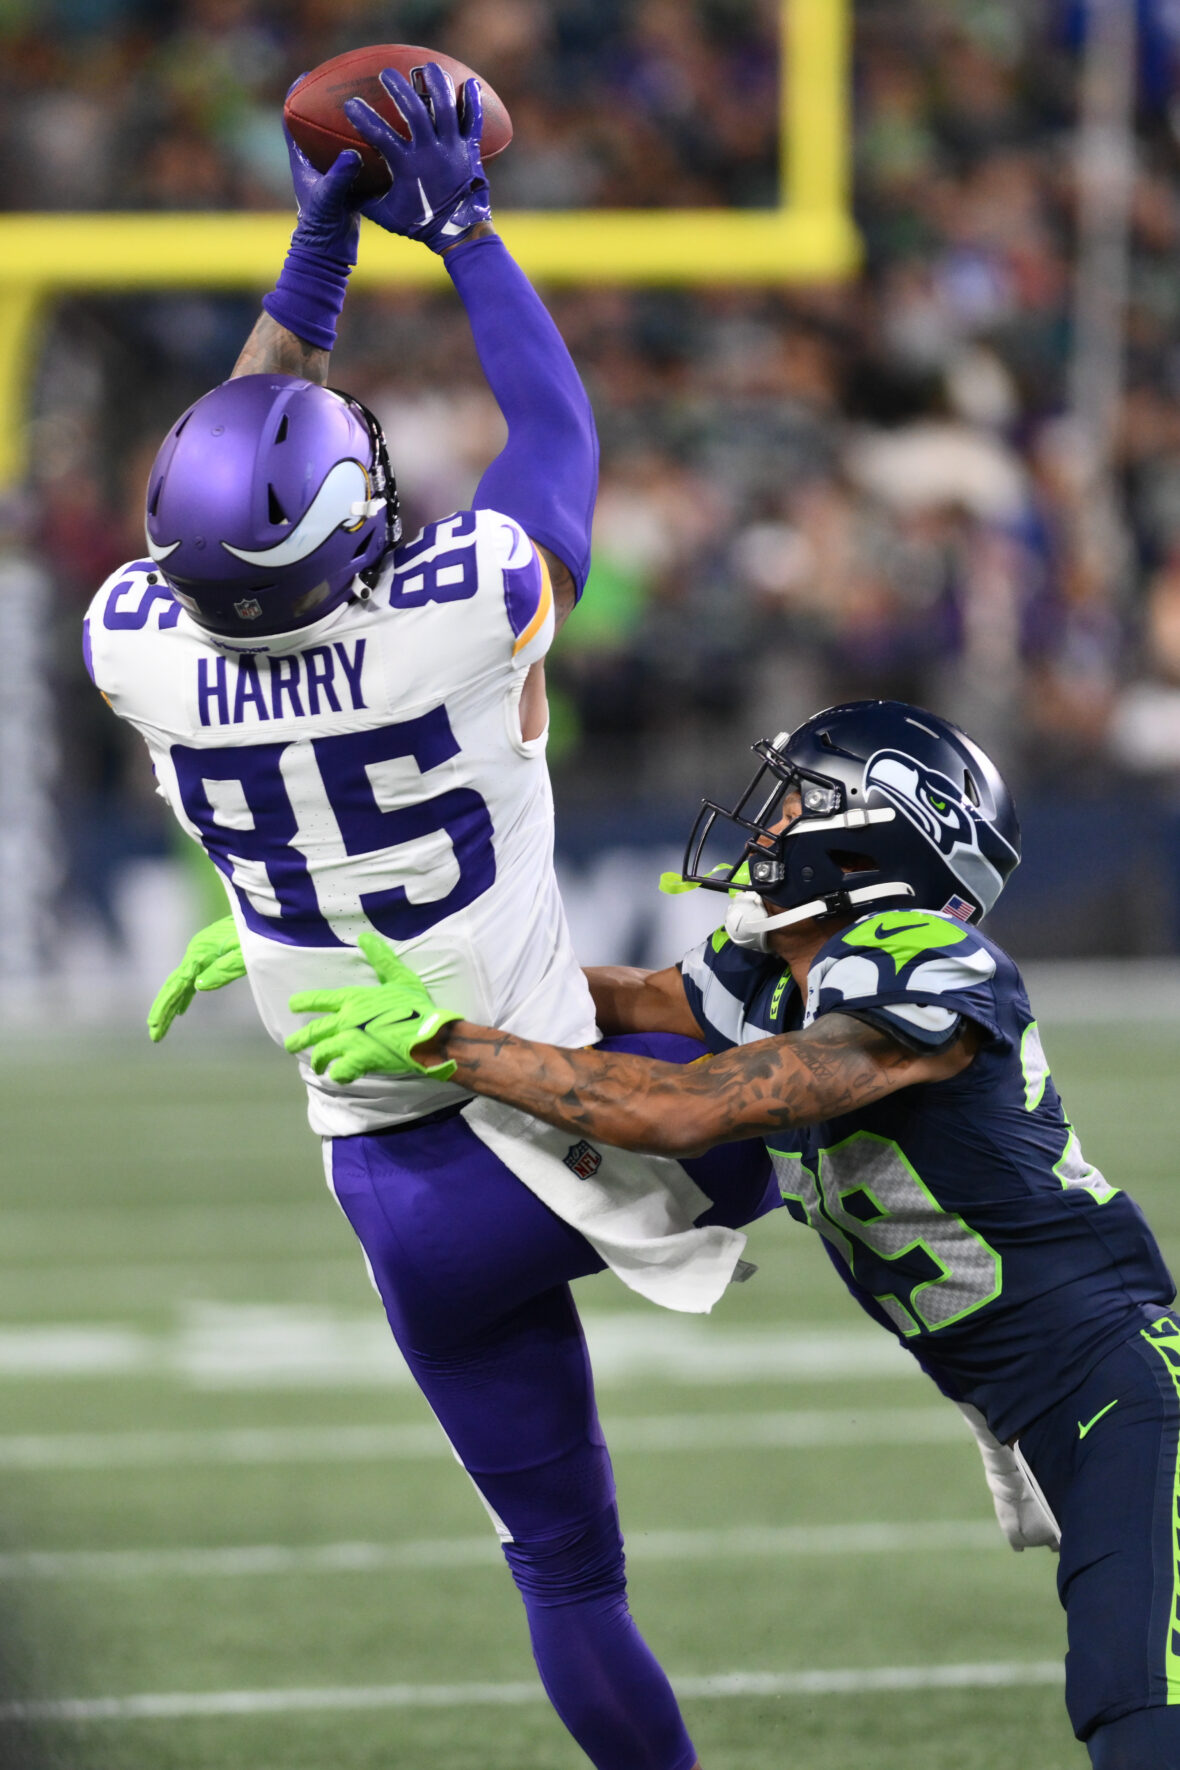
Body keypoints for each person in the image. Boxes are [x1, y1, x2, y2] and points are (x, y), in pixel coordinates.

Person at [86, 64, 778, 1770]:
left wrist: (314, 251)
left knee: (568, 1579)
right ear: (357, 521)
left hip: (407, 1192)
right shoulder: (456, 622)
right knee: (864, 1067)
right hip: (603, 1108)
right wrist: (460, 230)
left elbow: (227, 479)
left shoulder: (138, 646)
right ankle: (1043, 1403)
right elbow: (559, 437)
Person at [283, 697, 1180, 1770]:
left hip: (1119, 1386)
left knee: (1136, 1709)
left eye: (796, 799)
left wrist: (450, 1045)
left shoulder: (920, 956)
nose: (764, 823)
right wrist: (329, 963)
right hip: (1051, 1398)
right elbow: (608, 1001)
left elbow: (682, 1110)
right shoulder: (777, 974)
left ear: (873, 835)